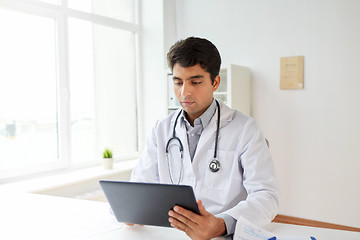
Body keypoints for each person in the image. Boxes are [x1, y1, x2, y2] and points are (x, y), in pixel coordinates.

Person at [131, 36, 279, 240]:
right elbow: (141, 183)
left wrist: (220, 225)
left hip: (223, 235)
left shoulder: (245, 129)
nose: (184, 92)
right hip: (171, 234)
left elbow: (266, 196)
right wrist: (132, 209)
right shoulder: (162, 129)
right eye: (178, 82)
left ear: (215, 82)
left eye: (195, 82)